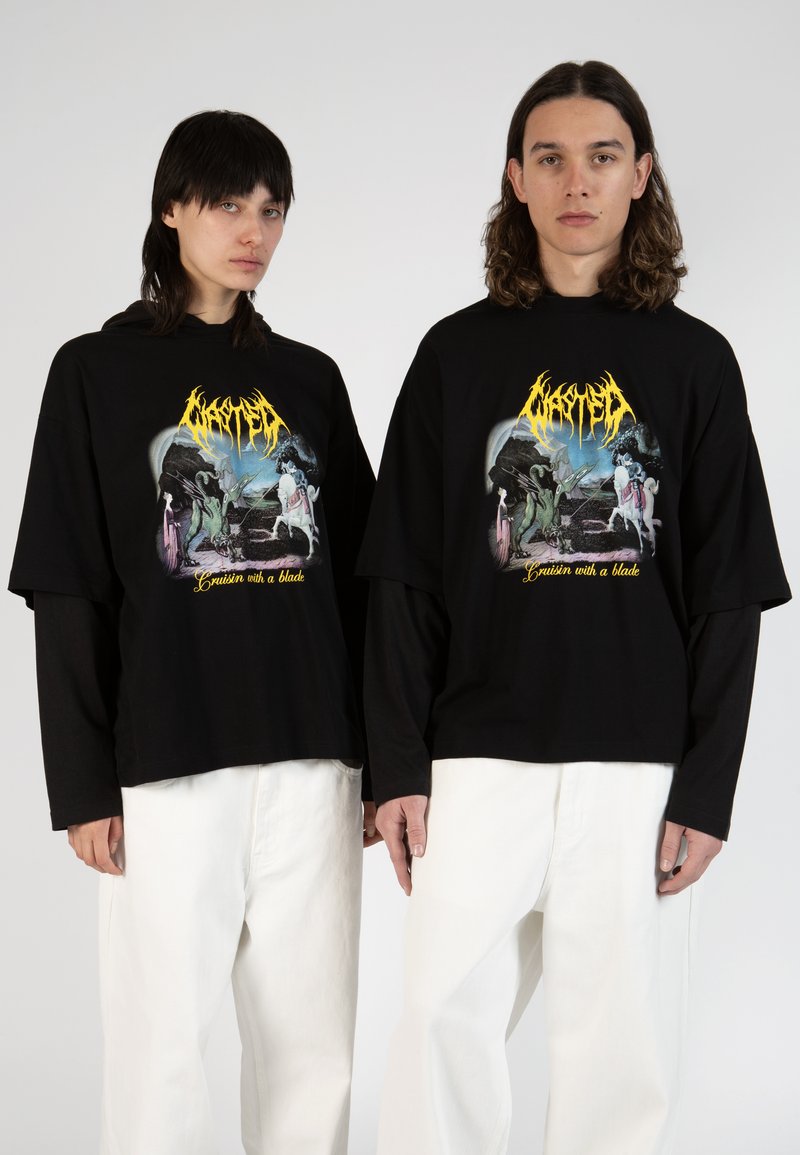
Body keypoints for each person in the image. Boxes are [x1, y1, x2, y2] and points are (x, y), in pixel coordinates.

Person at [357, 61, 791, 1155]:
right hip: (475, 755)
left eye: (602, 156)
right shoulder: (454, 355)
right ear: (515, 177)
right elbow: (400, 575)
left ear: (640, 174)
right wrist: (396, 764)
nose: (576, 182)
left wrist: (707, 785)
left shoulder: (695, 362)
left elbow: (728, 590)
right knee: (438, 1022)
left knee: (618, 1056)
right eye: (549, 158)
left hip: (637, 765)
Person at [9, 110, 377, 1155]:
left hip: (312, 760)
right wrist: (82, 784)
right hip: (167, 761)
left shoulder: (309, 379)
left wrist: (380, 759)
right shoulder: (94, 373)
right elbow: (67, 586)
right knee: (161, 1048)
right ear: (172, 209)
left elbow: (363, 582)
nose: (253, 231)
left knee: (314, 1051)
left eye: (272, 209)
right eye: (227, 204)